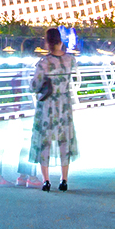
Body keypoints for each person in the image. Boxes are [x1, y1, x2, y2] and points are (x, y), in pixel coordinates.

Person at [29, 26, 78, 191]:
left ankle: (46, 181)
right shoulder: (71, 60)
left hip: (48, 105)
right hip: (64, 104)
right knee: (65, 140)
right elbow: (74, 78)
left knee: (45, 141)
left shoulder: (44, 62)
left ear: (47, 42)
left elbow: (34, 85)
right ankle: (64, 180)